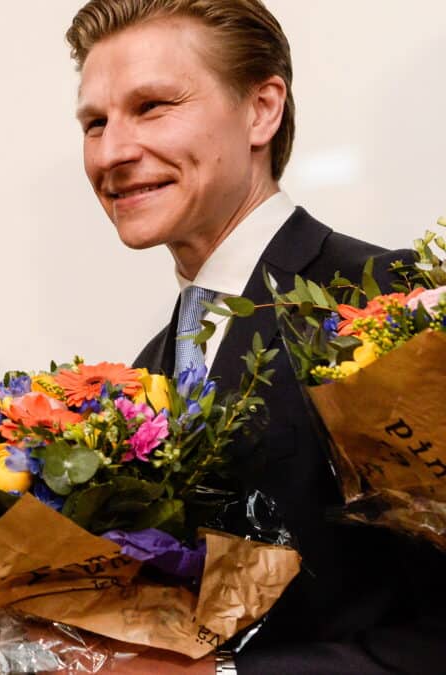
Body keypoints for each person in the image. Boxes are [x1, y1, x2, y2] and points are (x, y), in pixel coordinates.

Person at [67, 1, 446, 672]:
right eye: (95, 122)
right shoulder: (146, 371)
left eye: (152, 106)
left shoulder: (391, 303)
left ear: (262, 110)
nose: (113, 150)